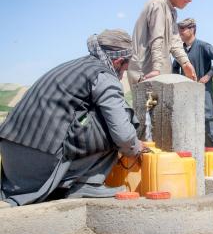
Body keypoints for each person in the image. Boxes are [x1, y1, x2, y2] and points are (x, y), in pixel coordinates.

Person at [0, 30, 143, 206]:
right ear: (118, 61)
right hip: (41, 160)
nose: (122, 76)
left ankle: (73, 181)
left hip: (12, 156)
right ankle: (87, 183)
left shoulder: (77, 66)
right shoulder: (103, 76)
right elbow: (122, 134)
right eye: (124, 70)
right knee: (122, 121)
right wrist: (136, 148)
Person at [127, 0, 197, 107]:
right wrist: (156, 69)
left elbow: (175, 41)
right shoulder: (158, 3)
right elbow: (156, 38)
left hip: (158, 72)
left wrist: (186, 63)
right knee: (148, 123)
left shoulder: (171, 10)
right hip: (146, 72)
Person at [173, 18, 213, 147]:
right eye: (178, 30)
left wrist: (208, 75)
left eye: (183, 30)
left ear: (192, 29)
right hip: (186, 94)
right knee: (188, 124)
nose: (180, 33)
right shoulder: (181, 51)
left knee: (208, 123)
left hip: (204, 93)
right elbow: (175, 67)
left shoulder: (203, 46)